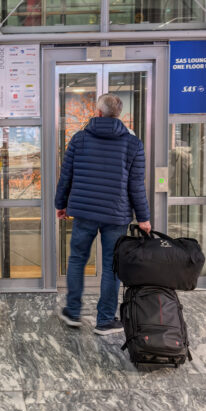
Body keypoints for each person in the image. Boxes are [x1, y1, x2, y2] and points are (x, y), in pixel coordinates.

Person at [55, 93, 151, 335]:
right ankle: (105, 320)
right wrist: (144, 217)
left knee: (77, 259)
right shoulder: (133, 144)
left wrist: (61, 204)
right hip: (116, 215)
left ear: (97, 113)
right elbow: (136, 185)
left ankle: (73, 312)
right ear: (118, 115)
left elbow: (66, 176)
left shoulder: (79, 139)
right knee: (111, 266)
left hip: (85, 213)